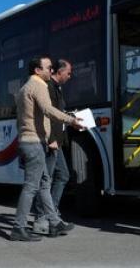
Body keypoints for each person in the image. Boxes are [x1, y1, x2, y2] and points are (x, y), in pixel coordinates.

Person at [9, 56, 84, 242]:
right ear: (37, 70)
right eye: (48, 68)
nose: (51, 71)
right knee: (31, 187)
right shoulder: (39, 86)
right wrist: (71, 120)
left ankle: (54, 221)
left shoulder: (23, 88)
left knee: (44, 183)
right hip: (34, 143)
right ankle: (18, 227)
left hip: (28, 141)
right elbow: (48, 110)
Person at [33, 59, 73, 234]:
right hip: (51, 141)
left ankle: (51, 214)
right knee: (46, 180)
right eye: (68, 73)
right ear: (59, 72)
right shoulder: (48, 88)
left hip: (57, 140)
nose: (70, 76)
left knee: (61, 175)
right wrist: (50, 139)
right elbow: (47, 114)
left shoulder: (57, 88)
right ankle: (44, 217)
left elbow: (57, 113)